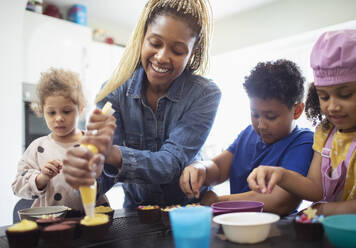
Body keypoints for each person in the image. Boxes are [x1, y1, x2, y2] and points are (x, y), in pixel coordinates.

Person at [62, 0, 221, 208]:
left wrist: (113, 154)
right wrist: (87, 172)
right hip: (136, 214)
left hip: (189, 212)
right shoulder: (114, 91)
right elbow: (102, 173)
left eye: (178, 50)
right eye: (155, 43)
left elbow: (170, 163)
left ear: (192, 53)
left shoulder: (204, 95)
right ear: (142, 39)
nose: (162, 57)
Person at [180, 59, 314, 215]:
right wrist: (199, 168)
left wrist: (219, 202)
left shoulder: (304, 142)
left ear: (297, 111)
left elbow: (280, 201)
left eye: (271, 117)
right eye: (255, 114)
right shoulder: (248, 134)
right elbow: (218, 168)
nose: (261, 125)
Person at [247, 30, 356, 216]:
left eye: (345, 95)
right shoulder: (325, 133)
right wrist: (280, 175)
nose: (333, 106)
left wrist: (325, 209)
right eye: (324, 96)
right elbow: (316, 189)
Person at [12, 68, 89, 210]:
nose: (59, 118)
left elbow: (112, 174)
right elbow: (17, 186)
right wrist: (41, 178)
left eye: (67, 111)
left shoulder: (93, 143)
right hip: (51, 223)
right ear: (42, 110)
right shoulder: (37, 147)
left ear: (81, 108)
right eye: (51, 112)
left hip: (91, 221)